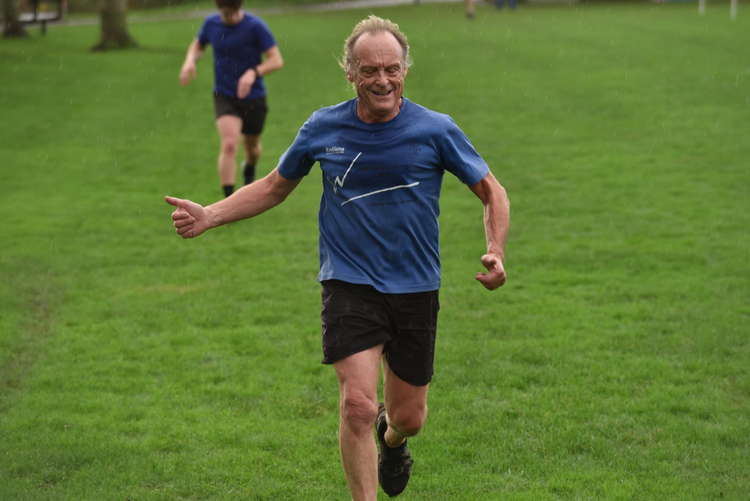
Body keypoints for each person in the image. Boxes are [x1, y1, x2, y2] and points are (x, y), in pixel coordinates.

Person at [166, 15, 509, 501]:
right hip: (349, 283)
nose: (382, 80)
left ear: (405, 68)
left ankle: (393, 440)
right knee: (356, 406)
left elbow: (493, 192)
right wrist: (211, 215)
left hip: (415, 286)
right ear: (349, 72)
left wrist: (495, 249)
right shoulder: (323, 127)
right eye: (370, 70)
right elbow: (273, 186)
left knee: (408, 418)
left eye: (391, 68)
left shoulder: (435, 130)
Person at [179, 0, 284, 197]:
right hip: (224, 94)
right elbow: (198, 45)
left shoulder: (255, 26)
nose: (229, 18)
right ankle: (228, 199)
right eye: (225, 14)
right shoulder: (211, 23)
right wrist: (189, 61)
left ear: (239, 7)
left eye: (233, 13)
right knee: (228, 144)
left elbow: (276, 60)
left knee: (252, 148)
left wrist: (253, 72)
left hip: (253, 96)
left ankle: (250, 167)